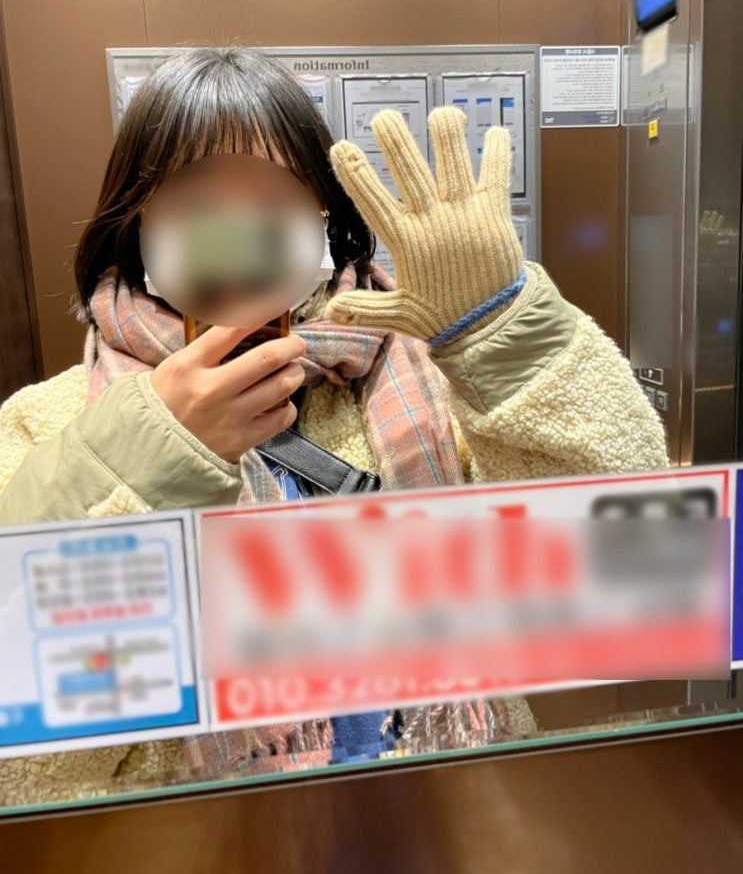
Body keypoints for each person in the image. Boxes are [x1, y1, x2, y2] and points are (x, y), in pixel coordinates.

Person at [0, 47, 668, 804]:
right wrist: (143, 457)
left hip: (455, 815)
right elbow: (24, 760)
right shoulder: (46, 423)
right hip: (207, 840)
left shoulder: (441, 381)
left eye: (274, 196)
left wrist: (503, 334)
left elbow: (635, 576)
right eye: (195, 200)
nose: (238, 229)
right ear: (137, 225)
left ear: (325, 220)